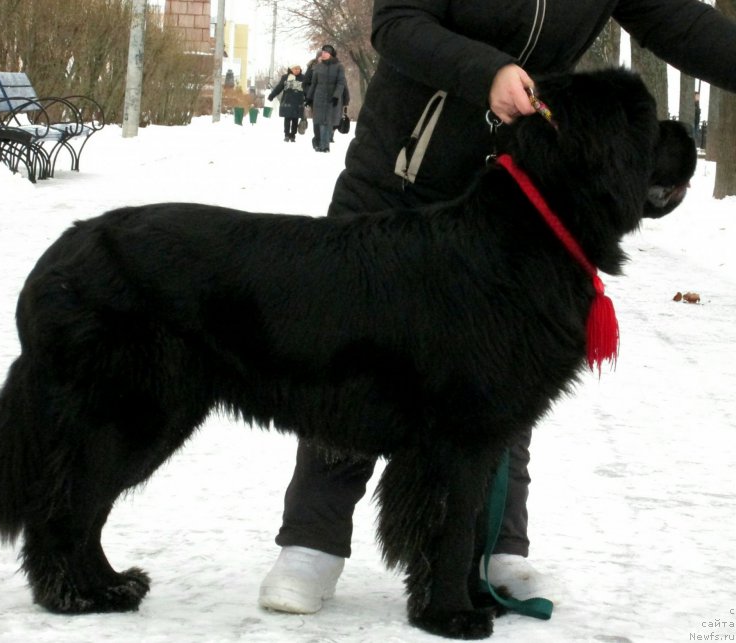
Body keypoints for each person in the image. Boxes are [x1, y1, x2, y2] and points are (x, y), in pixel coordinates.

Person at [259, 0, 736, 616]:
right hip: (403, 172)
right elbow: (398, 22)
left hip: (522, 180)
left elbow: (680, 20)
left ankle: (495, 543)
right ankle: (313, 539)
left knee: (506, 367)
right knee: (353, 357)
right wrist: (488, 72)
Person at [305, 45, 346, 153]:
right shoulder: (318, 66)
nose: (323, 54)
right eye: (322, 52)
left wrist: (336, 96)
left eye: (325, 52)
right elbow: (314, 84)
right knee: (319, 121)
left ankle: (325, 146)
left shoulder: (339, 66)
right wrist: (309, 97)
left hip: (331, 97)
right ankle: (319, 143)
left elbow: (341, 83)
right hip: (319, 96)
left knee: (327, 122)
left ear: (331, 55)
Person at [267, 65, 306, 142]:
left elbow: (307, 89)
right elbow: (279, 87)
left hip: (298, 102)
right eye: (295, 69)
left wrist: (308, 99)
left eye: (298, 69)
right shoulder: (285, 77)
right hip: (288, 101)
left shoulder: (303, 78)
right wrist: (271, 96)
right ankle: (286, 135)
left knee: (295, 119)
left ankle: (293, 135)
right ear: (291, 69)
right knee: (287, 119)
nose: (297, 70)